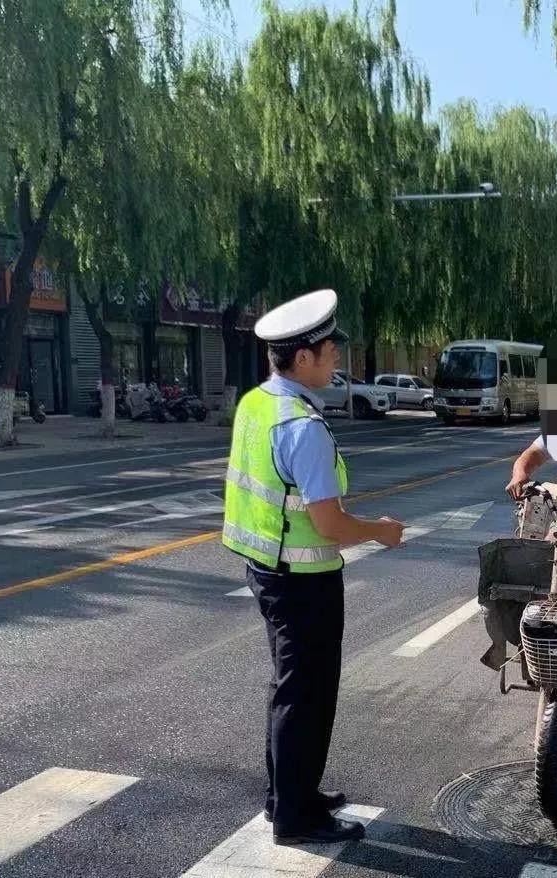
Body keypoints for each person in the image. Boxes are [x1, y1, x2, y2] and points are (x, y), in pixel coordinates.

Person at [221, 288, 406, 846]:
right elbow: (329, 524)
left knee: (290, 688)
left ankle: (288, 795)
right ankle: (295, 817)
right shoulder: (302, 427)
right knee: (308, 694)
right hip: (302, 580)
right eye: (330, 352)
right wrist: (379, 531)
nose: (337, 361)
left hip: (266, 568)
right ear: (303, 358)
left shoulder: (257, 403)